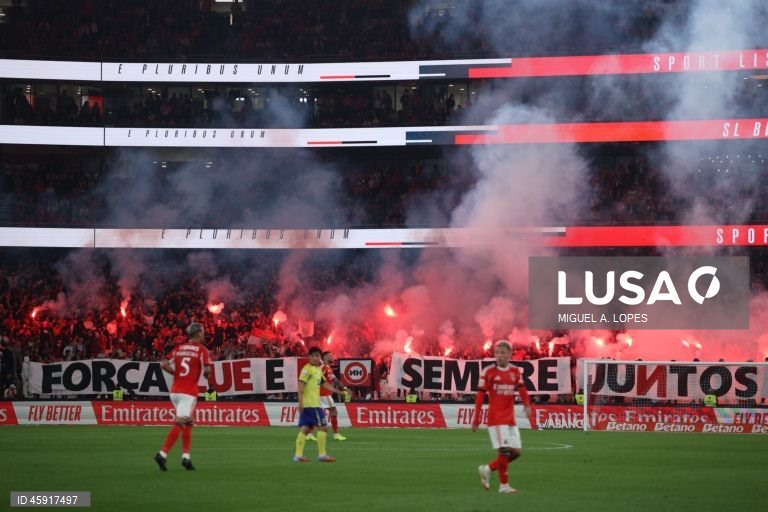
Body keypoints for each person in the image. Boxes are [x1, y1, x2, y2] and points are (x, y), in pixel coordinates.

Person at [472, 340, 531, 494]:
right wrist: (476, 418)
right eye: (497, 353)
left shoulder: (515, 371)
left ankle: (487, 468)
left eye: (503, 353)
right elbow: (480, 396)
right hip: (496, 418)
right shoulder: (488, 372)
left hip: (510, 418)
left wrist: (527, 405)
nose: (499, 356)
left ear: (510, 354)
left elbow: (522, 389)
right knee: (504, 450)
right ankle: (504, 486)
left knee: (516, 452)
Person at [154, 322, 212, 471]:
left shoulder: (179, 348)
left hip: (174, 392)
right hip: (188, 392)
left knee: (189, 422)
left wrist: (176, 374)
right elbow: (207, 370)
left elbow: (163, 364)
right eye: (203, 332)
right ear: (198, 333)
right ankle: (163, 453)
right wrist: (207, 373)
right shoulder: (202, 350)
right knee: (181, 422)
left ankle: (186, 457)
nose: (204, 334)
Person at [294, 346, 345, 462]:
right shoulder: (306, 370)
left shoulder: (317, 370)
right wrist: (300, 403)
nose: (316, 358)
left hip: (313, 404)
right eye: (314, 355)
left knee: (306, 428)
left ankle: (298, 455)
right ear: (310, 357)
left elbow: (324, 384)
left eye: (318, 356)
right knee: (323, 427)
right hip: (311, 405)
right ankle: (322, 454)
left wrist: (338, 392)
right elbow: (300, 386)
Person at [308, 351, 348, 441]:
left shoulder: (328, 368)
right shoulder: (323, 367)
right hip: (323, 394)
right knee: (333, 411)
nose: (332, 357)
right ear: (325, 357)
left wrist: (344, 388)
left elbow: (335, 380)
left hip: (321, 394)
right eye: (330, 355)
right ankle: (336, 434)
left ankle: (310, 434)